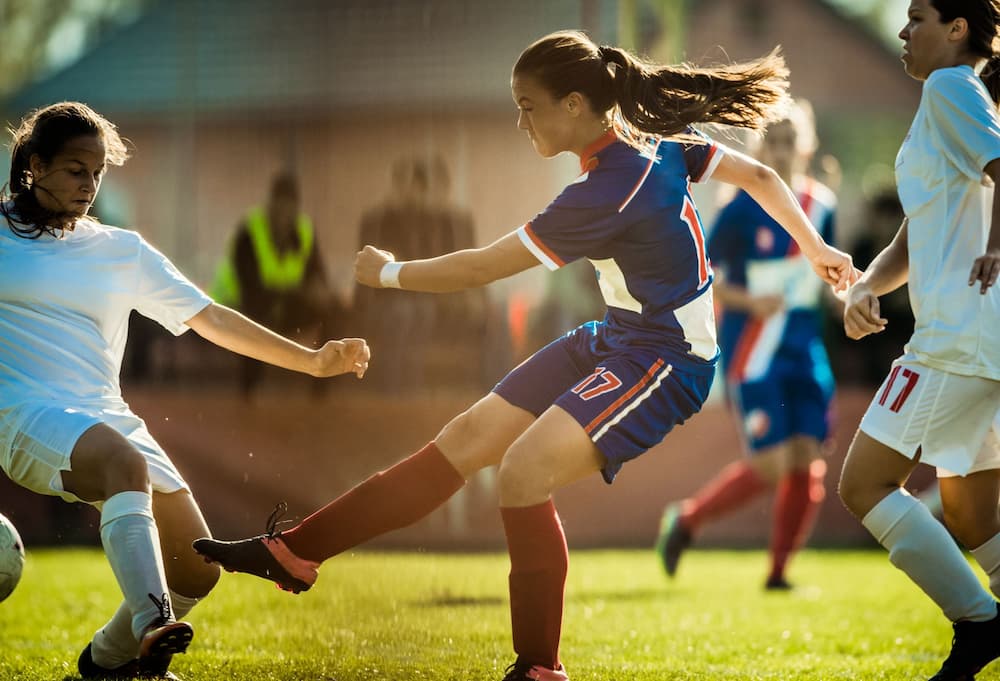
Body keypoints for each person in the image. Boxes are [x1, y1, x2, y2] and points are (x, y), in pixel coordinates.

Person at [193, 30, 854, 680]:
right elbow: (763, 175)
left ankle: (539, 667)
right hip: (617, 335)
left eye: (527, 105)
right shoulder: (648, 144)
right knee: (466, 437)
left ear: (573, 104)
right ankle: (293, 552)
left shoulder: (608, 187)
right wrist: (817, 248)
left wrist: (390, 273)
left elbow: (480, 268)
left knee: (521, 471)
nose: (520, 121)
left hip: (669, 360)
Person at [0, 102, 369, 680]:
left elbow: (212, 318)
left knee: (198, 568)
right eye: (76, 169)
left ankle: (107, 661)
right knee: (125, 466)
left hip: (107, 419)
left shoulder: (121, 250)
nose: (89, 185)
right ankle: (153, 628)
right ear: (36, 165)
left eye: (98, 172)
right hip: (22, 418)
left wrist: (313, 362)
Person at [836, 2, 1000, 679]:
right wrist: (866, 284)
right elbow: (915, 231)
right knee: (969, 511)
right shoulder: (950, 100)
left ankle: (981, 626)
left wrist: (995, 247)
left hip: (958, 339)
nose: (903, 32)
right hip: (974, 339)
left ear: (957, 29)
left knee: (863, 484)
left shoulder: (950, 87)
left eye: (918, 18)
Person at [656, 100, 837, 591]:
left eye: (787, 142)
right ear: (760, 147)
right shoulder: (739, 209)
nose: (779, 152)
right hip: (753, 352)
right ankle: (688, 520)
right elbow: (701, 277)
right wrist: (751, 302)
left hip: (805, 351)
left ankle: (778, 574)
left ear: (805, 147)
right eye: (770, 142)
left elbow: (826, 277)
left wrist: (850, 301)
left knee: (806, 461)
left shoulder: (822, 206)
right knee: (771, 465)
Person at [210, 171, 342, 397]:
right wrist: (293, 294)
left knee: (333, 308)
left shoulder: (304, 230)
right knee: (255, 316)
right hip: (240, 304)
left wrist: (320, 293)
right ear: (270, 204)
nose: (283, 212)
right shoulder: (250, 230)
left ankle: (323, 386)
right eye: (279, 205)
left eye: (289, 206)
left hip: (286, 302)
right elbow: (249, 287)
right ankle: (249, 389)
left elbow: (317, 276)